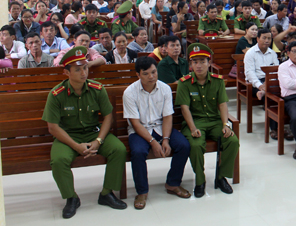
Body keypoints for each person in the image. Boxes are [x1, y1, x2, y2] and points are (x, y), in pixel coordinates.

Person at [42, 46, 127, 219]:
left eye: (85, 68)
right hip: (68, 137)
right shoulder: (56, 94)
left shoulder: (97, 89)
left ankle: (106, 193)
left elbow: (108, 117)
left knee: (118, 149)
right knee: (58, 160)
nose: (83, 73)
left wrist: (98, 141)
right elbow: (53, 127)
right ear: (66, 72)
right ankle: (71, 198)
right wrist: (75, 146)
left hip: (92, 133)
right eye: (78, 69)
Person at [124, 56, 192, 209]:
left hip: (162, 128)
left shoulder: (165, 88)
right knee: (138, 152)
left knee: (183, 145)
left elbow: (168, 116)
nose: (151, 76)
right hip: (140, 131)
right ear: (138, 75)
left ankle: (173, 184)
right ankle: (142, 191)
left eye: (154, 72)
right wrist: (153, 142)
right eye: (146, 74)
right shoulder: (130, 92)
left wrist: (166, 139)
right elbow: (135, 123)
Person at [176, 43, 239, 197]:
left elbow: (222, 104)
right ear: (190, 64)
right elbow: (184, 108)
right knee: (196, 145)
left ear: (209, 63)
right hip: (194, 123)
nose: (199, 66)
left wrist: (225, 124)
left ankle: (220, 177)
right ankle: (200, 180)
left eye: (203, 61)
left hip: (215, 122)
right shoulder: (184, 83)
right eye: (195, 62)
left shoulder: (217, 81)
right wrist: (192, 128)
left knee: (232, 141)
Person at [243, 29, 285, 139]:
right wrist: (260, 85)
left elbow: (276, 70)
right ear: (257, 39)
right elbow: (250, 73)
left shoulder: (272, 53)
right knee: (270, 97)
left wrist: (268, 82)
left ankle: (284, 125)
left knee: (285, 94)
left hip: (269, 81)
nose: (267, 40)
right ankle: (274, 128)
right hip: (254, 84)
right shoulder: (250, 53)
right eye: (264, 38)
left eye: (269, 38)